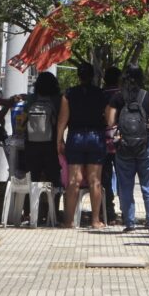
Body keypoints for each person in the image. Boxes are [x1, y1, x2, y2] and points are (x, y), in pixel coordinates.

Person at [106, 64, 149, 233]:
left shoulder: (118, 97)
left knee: (125, 185)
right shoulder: (148, 97)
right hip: (145, 145)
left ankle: (129, 223)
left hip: (124, 146)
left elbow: (109, 121)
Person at [57, 62, 107, 229]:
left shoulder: (69, 94)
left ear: (78, 75)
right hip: (95, 135)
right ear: (92, 76)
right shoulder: (101, 94)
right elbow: (106, 118)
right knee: (95, 180)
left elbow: (63, 119)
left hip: (76, 136)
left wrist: (59, 139)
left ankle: (69, 221)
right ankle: (95, 220)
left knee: (73, 180)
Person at [23, 72, 63, 188]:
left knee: (32, 176)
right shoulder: (58, 99)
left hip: (31, 143)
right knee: (53, 176)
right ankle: (53, 204)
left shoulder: (32, 99)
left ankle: (30, 203)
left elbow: (24, 117)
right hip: (51, 143)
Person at [101, 67, 122, 225]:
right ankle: (127, 212)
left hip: (102, 141)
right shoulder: (123, 95)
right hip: (121, 141)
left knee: (105, 178)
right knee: (123, 178)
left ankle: (109, 212)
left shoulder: (99, 95)